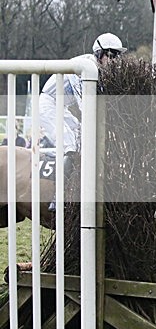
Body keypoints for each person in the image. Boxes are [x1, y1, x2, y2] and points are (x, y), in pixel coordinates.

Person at [40, 32, 126, 209]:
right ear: (99, 54)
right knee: (71, 145)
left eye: (117, 56)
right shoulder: (85, 68)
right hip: (48, 105)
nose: (114, 61)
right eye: (110, 56)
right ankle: (59, 196)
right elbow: (85, 107)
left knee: (79, 136)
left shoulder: (97, 68)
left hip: (60, 107)